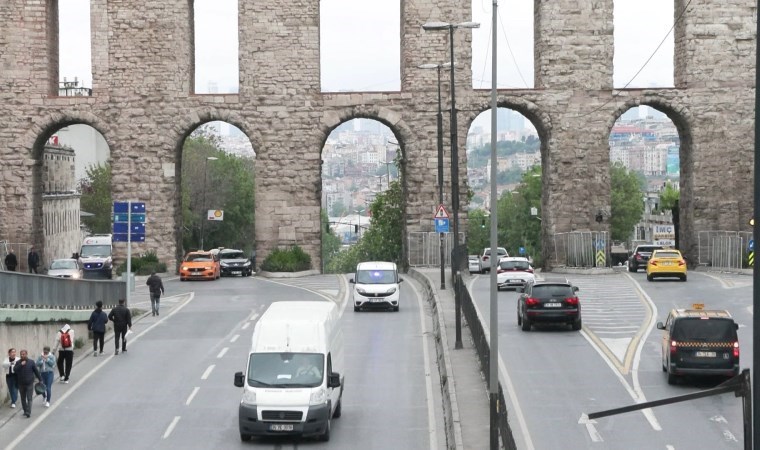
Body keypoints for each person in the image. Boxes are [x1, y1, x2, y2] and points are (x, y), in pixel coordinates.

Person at [15, 349, 41, 418]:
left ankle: (28, 412)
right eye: (21, 354)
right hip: (21, 384)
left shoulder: (31, 362)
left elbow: (36, 371)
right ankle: (25, 410)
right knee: (23, 398)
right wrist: (21, 365)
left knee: (29, 398)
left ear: (26, 354)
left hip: (29, 383)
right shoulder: (18, 362)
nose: (22, 355)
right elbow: (15, 370)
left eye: (23, 354)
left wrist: (40, 379)